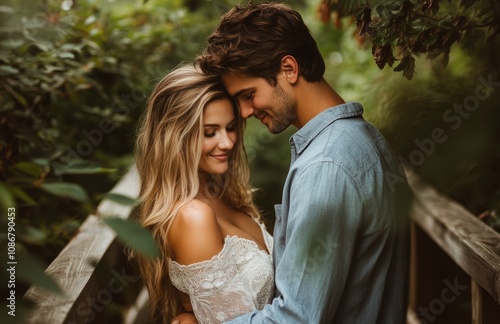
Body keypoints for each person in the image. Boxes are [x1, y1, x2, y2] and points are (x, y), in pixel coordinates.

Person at [175, 2, 412, 323]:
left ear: (289, 68)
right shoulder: (366, 138)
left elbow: (296, 318)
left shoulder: (325, 166)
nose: (244, 113)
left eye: (248, 94)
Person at [134, 64, 275, 324]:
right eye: (210, 132)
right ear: (175, 137)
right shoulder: (193, 218)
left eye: (231, 127)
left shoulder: (221, 194)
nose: (228, 142)